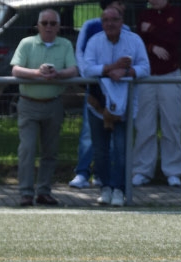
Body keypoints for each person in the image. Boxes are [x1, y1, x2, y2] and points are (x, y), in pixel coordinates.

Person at [79, 5, 149, 207]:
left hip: (124, 105)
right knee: (100, 150)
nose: (109, 24)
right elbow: (87, 69)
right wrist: (111, 68)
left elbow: (145, 68)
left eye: (114, 20)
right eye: (106, 20)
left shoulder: (134, 40)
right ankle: (105, 188)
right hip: (98, 104)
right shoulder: (94, 41)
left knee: (121, 150)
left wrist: (126, 72)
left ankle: (119, 189)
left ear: (122, 22)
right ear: (102, 23)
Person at [9, 9, 77, 207]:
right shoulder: (26, 43)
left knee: (50, 151)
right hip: (28, 104)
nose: (48, 27)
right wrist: (37, 73)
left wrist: (58, 74)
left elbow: (73, 69)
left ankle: (44, 192)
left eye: (52, 23)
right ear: (38, 26)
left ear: (59, 26)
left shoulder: (65, 45)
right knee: (27, 149)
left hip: (54, 104)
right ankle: (26, 193)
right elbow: (16, 69)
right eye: (45, 23)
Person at [68, 0, 128, 190]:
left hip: (116, 90)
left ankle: (104, 175)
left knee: (113, 132)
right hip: (95, 87)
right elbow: (80, 52)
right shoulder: (91, 25)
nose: (123, 6)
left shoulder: (126, 30)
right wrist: (88, 75)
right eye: (119, 2)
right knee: (89, 132)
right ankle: (82, 172)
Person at [132, 0, 181, 188]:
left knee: (171, 123)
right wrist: (152, 47)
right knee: (144, 124)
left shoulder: (177, 13)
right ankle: (142, 170)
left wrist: (152, 30)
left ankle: (173, 171)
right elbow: (139, 40)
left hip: (170, 74)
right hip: (147, 76)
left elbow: (173, 38)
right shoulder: (144, 15)